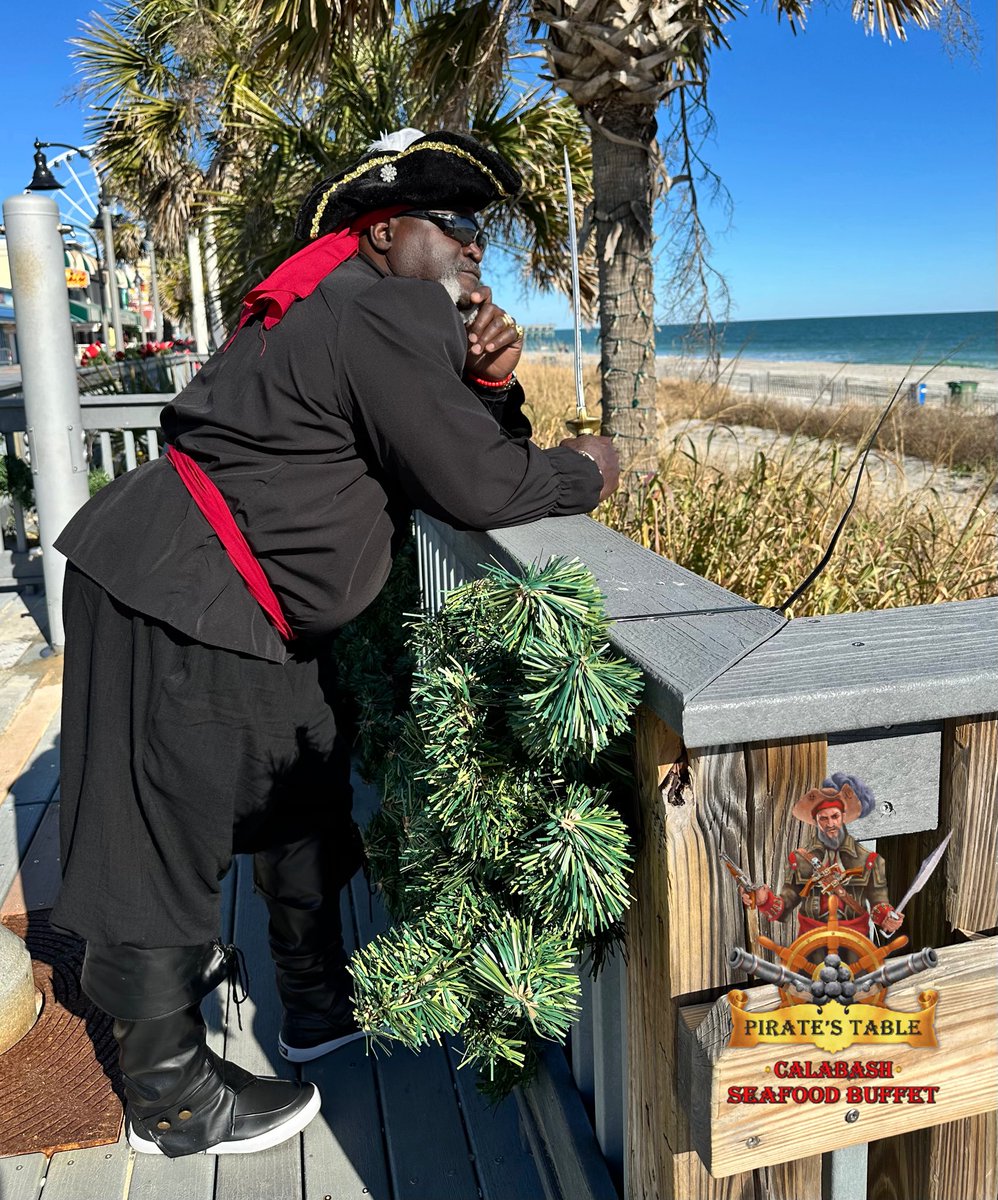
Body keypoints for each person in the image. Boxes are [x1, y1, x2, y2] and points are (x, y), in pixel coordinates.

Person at [51, 128, 619, 1159]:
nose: (471, 252)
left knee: (299, 793)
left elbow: (428, 445)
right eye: (454, 230)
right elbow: (477, 487)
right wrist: (586, 468)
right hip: (180, 588)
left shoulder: (344, 307)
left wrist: (489, 388)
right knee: (153, 838)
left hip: (226, 595)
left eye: (477, 234)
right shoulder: (383, 308)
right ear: (386, 233)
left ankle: (311, 1003)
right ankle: (170, 1099)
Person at [741, 773, 903, 938]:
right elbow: (784, 908)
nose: (830, 823)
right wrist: (763, 901)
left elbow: (879, 904)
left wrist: (887, 918)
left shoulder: (869, 860)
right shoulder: (801, 860)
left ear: (843, 817)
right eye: (823, 818)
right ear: (816, 821)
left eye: (835, 816)